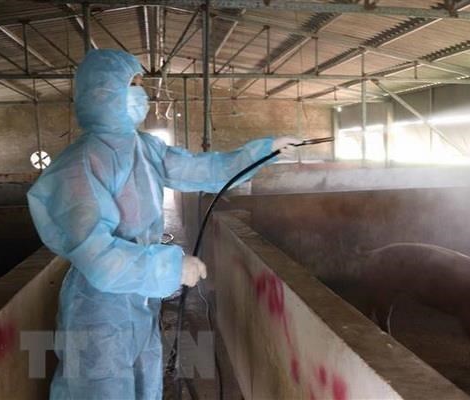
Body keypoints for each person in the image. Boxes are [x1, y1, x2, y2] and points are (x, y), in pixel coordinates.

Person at [27, 49, 300, 399]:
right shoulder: (79, 165)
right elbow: (96, 256)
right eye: (133, 85)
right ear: (102, 92)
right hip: (99, 310)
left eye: (142, 85)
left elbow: (204, 170)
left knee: (144, 385)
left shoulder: (145, 148)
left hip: (138, 300)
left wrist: (266, 151)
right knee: (98, 390)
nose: (142, 94)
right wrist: (168, 267)